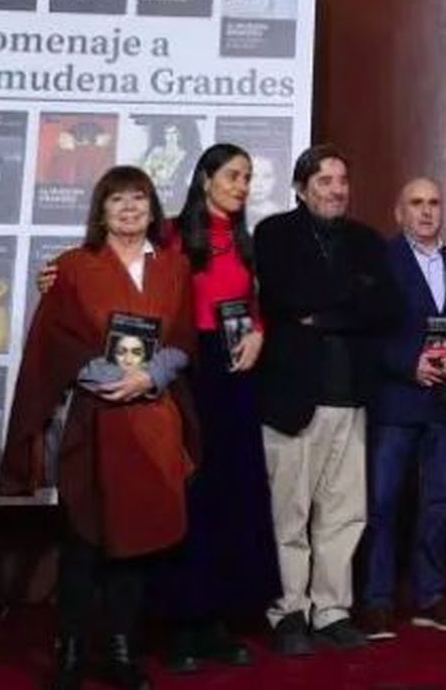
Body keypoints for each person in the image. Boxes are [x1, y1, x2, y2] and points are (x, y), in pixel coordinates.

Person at [0, 166, 197, 690]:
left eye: (139, 199)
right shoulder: (72, 267)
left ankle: (122, 653)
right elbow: (56, 339)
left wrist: (150, 376)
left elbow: (182, 337)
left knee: (136, 546)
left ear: (153, 209)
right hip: (94, 419)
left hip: (154, 419)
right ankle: (68, 653)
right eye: (117, 200)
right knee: (83, 542)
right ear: (101, 211)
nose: (129, 208)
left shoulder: (174, 266)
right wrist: (108, 378)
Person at [254, 145, 402, 654]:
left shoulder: (367, 240)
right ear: (301, 188)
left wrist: (325, 315)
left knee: (344, 514)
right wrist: (350, 301)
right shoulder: (274, 233)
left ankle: (332, 610)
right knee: (288, 513)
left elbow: (386, 308)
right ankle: (289, 611)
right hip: (293, 398)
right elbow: (286, 298)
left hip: (352, 398)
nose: (337, 190)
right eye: (325, 181)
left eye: (342, 181)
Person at [147, 144, 280, 672]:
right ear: (205, 179)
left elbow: (258, 307)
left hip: (236, 376)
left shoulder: (247, 242)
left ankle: (218, 621)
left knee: (233, 495)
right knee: (190, 498)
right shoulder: (170, 235)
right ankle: (183, 621)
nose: (242, 185)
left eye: (247, 176)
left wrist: (260, 334)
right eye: (232, 175)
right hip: (187, 375)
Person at [357, 177, 446, 639]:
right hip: (397, 401)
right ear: (399, 213)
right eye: (416, 203)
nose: (427, 211)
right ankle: (377, 600)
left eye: (433, 203)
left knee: (441, 502)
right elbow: (366, 333)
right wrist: (408, 363)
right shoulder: (381, 261)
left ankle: (430, 596)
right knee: (383, 503)